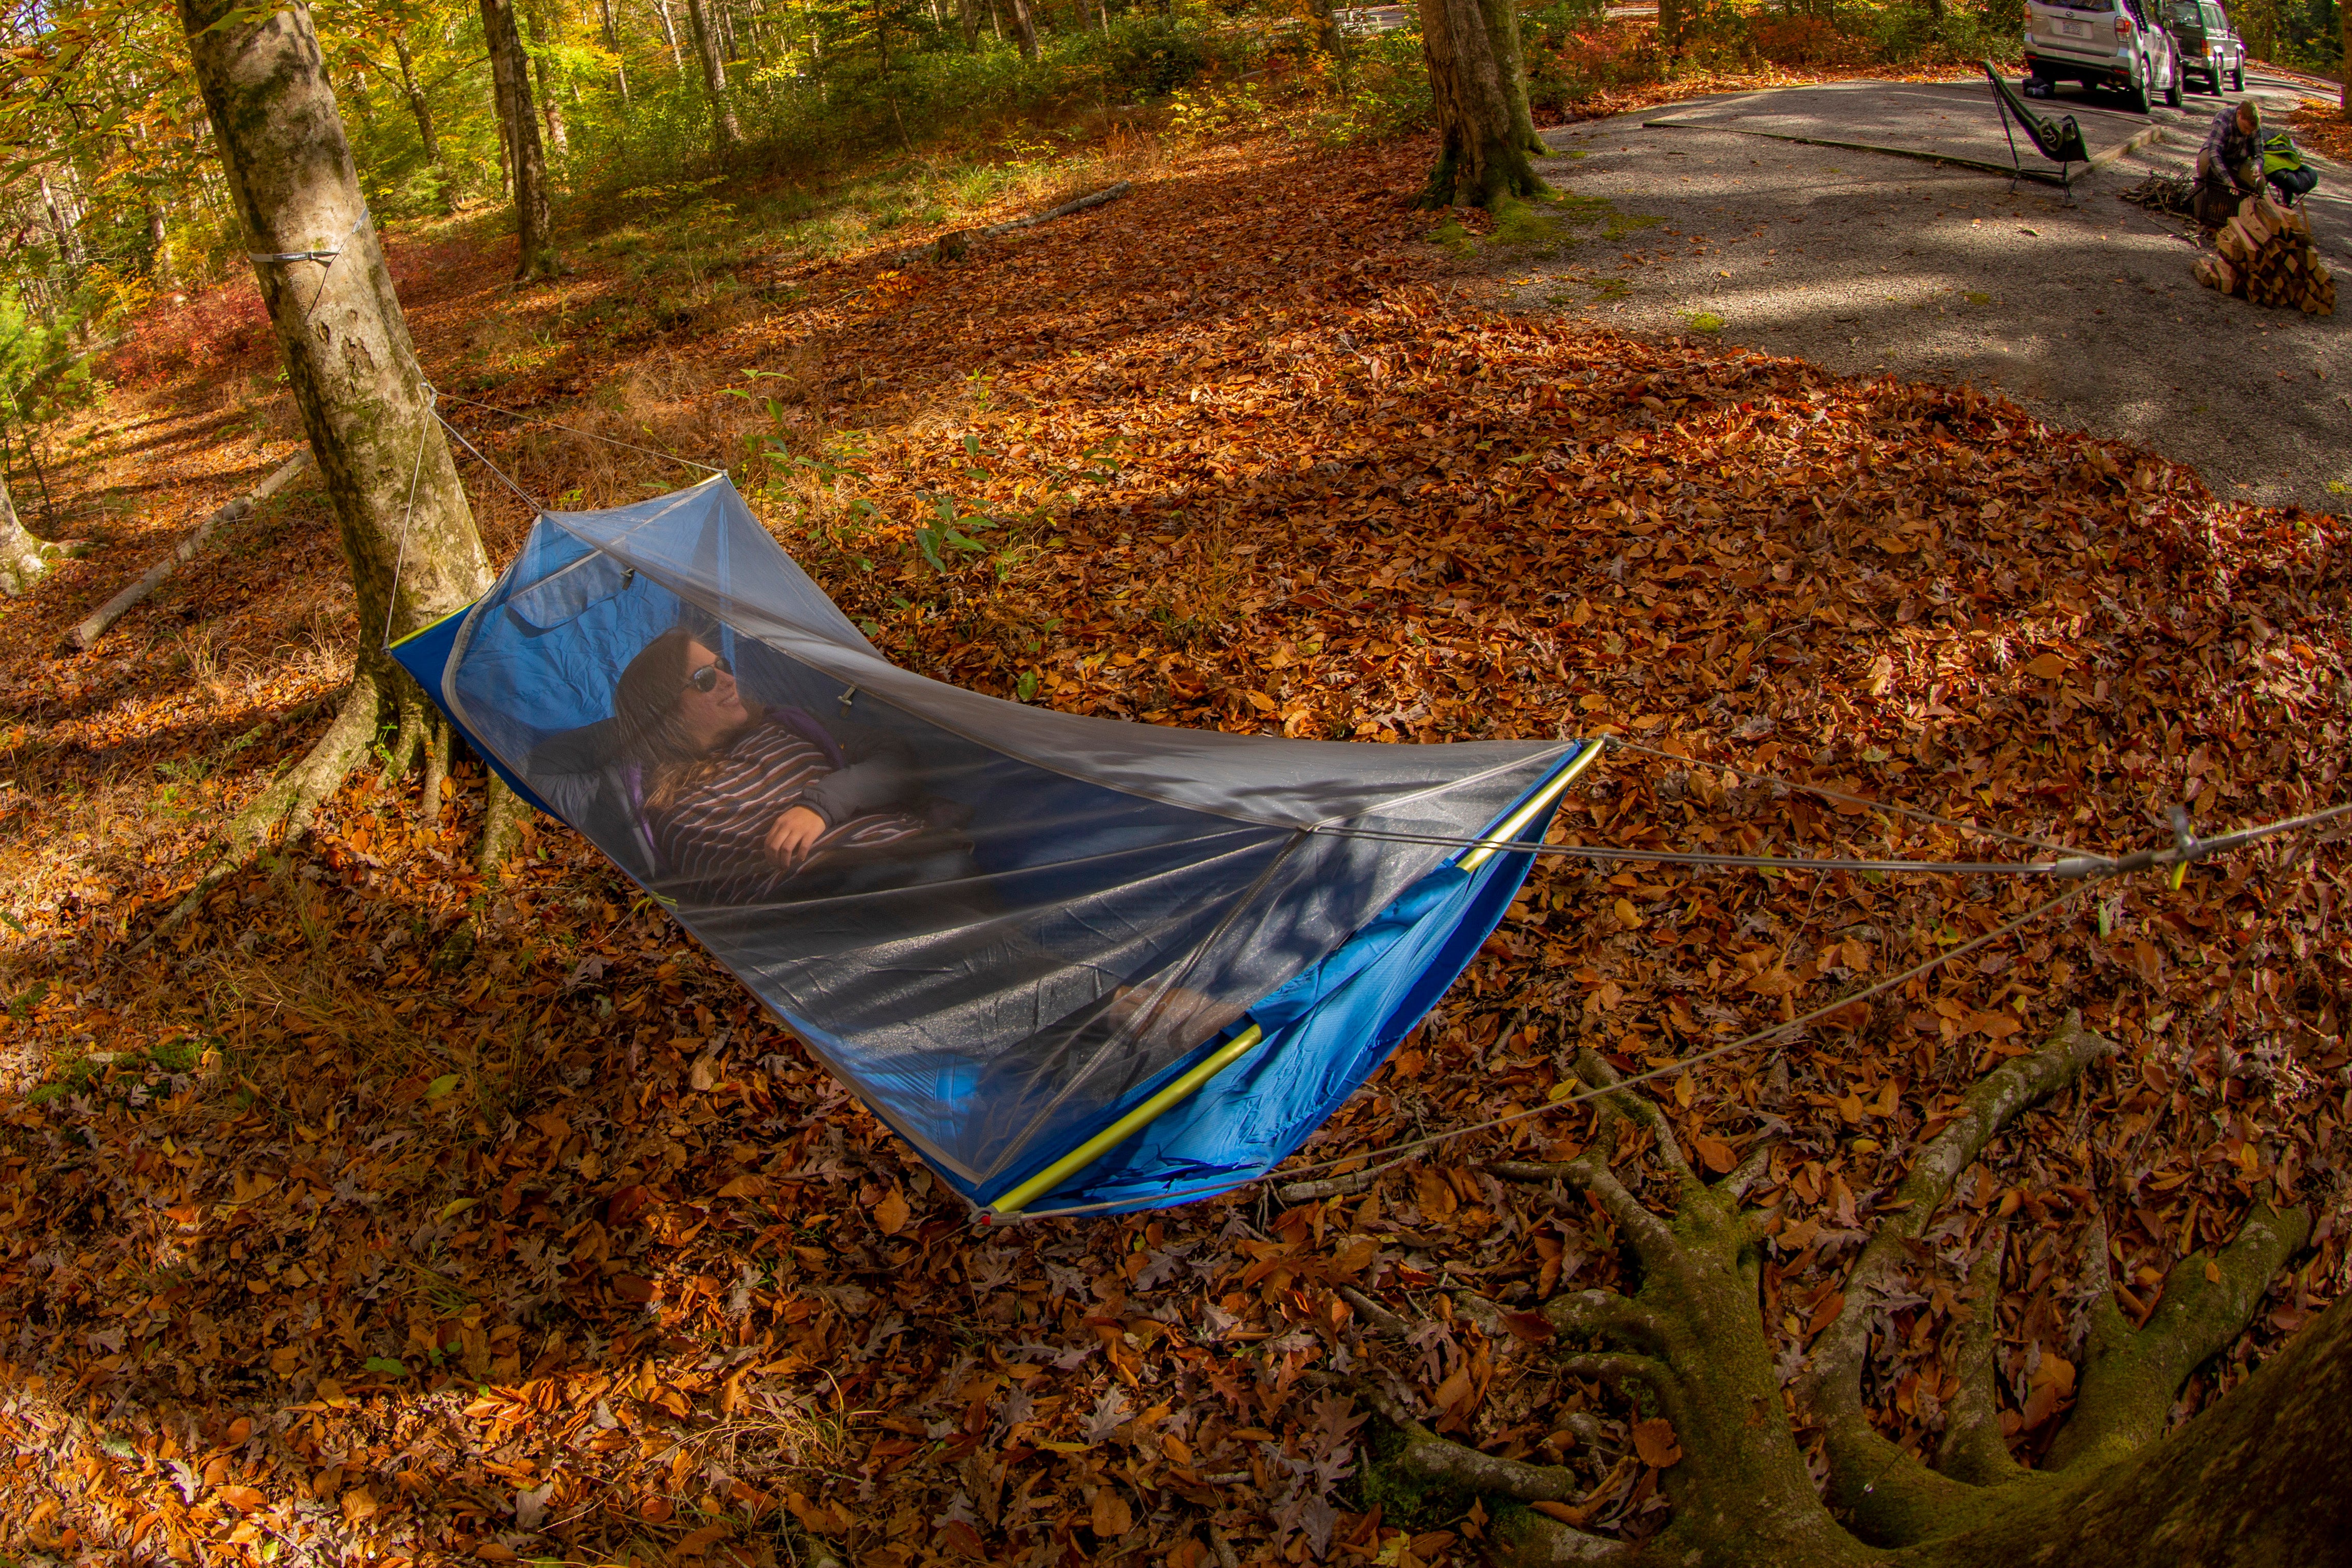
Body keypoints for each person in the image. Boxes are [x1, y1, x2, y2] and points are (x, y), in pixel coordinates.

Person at [611, 625, 975, 907]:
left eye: (721, 665)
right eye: (705, 680)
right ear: (666, 714)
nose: (728, 679)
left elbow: (896, 759)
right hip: (834, 904)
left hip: (919, 856)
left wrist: (820, 807)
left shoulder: (783, 724)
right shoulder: (675, 807)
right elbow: (744, 901)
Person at [2194, 99, 2267, 227]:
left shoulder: (2255, 128)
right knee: (2207, 164)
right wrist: (2227, 180)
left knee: (2260, 183)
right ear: (2239, 115)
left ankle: (2246, 217)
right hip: (2216, 156)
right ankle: (2203, 206)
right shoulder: (2224, 118)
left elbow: (2259, 155)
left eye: (2251, 131)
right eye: (2246, 128)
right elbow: (2214, 152)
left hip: (2238, 161)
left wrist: (2257, 166)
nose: (2248, 133)